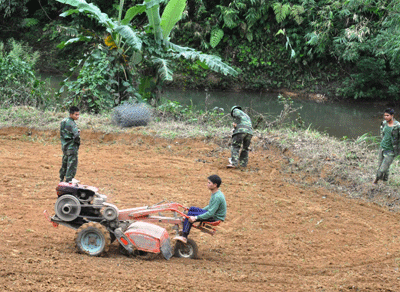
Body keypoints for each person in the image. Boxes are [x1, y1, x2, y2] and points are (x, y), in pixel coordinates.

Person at [179, 175, 227, 243]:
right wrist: (200, 211)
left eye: (209, 183)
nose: (207, 184)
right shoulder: (216, 193)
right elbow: (210, 206)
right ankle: (185, 228)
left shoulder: (217, 197)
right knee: (192, 209)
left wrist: (196, 217)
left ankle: (184, 236)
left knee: (189, 216)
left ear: (215, 185)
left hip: (215, 217)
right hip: (213, 214)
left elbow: (210, 213)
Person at [373, 108, 400, 185]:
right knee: (381, 166)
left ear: (392, 116)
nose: (385, 117)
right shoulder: (384, 123)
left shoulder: (397, 126)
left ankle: (375, 181)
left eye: (387, 115)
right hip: (382, 148)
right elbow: (382, 133)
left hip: (391, 151)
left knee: (382, 169)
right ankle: (385, 181)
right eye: (384, 115)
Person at [59, 106, 81, 183]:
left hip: (65, 146)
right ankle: (69, 179)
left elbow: (63, 133)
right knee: (72, 164)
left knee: (64, 163)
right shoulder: (72, 123)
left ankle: (61, 179)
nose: (78, 116)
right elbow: (76, 135)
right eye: (76, 115)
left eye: (78, 114)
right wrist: (77, 142)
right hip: (72, 147)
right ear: (71, 114)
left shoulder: (63, 121)